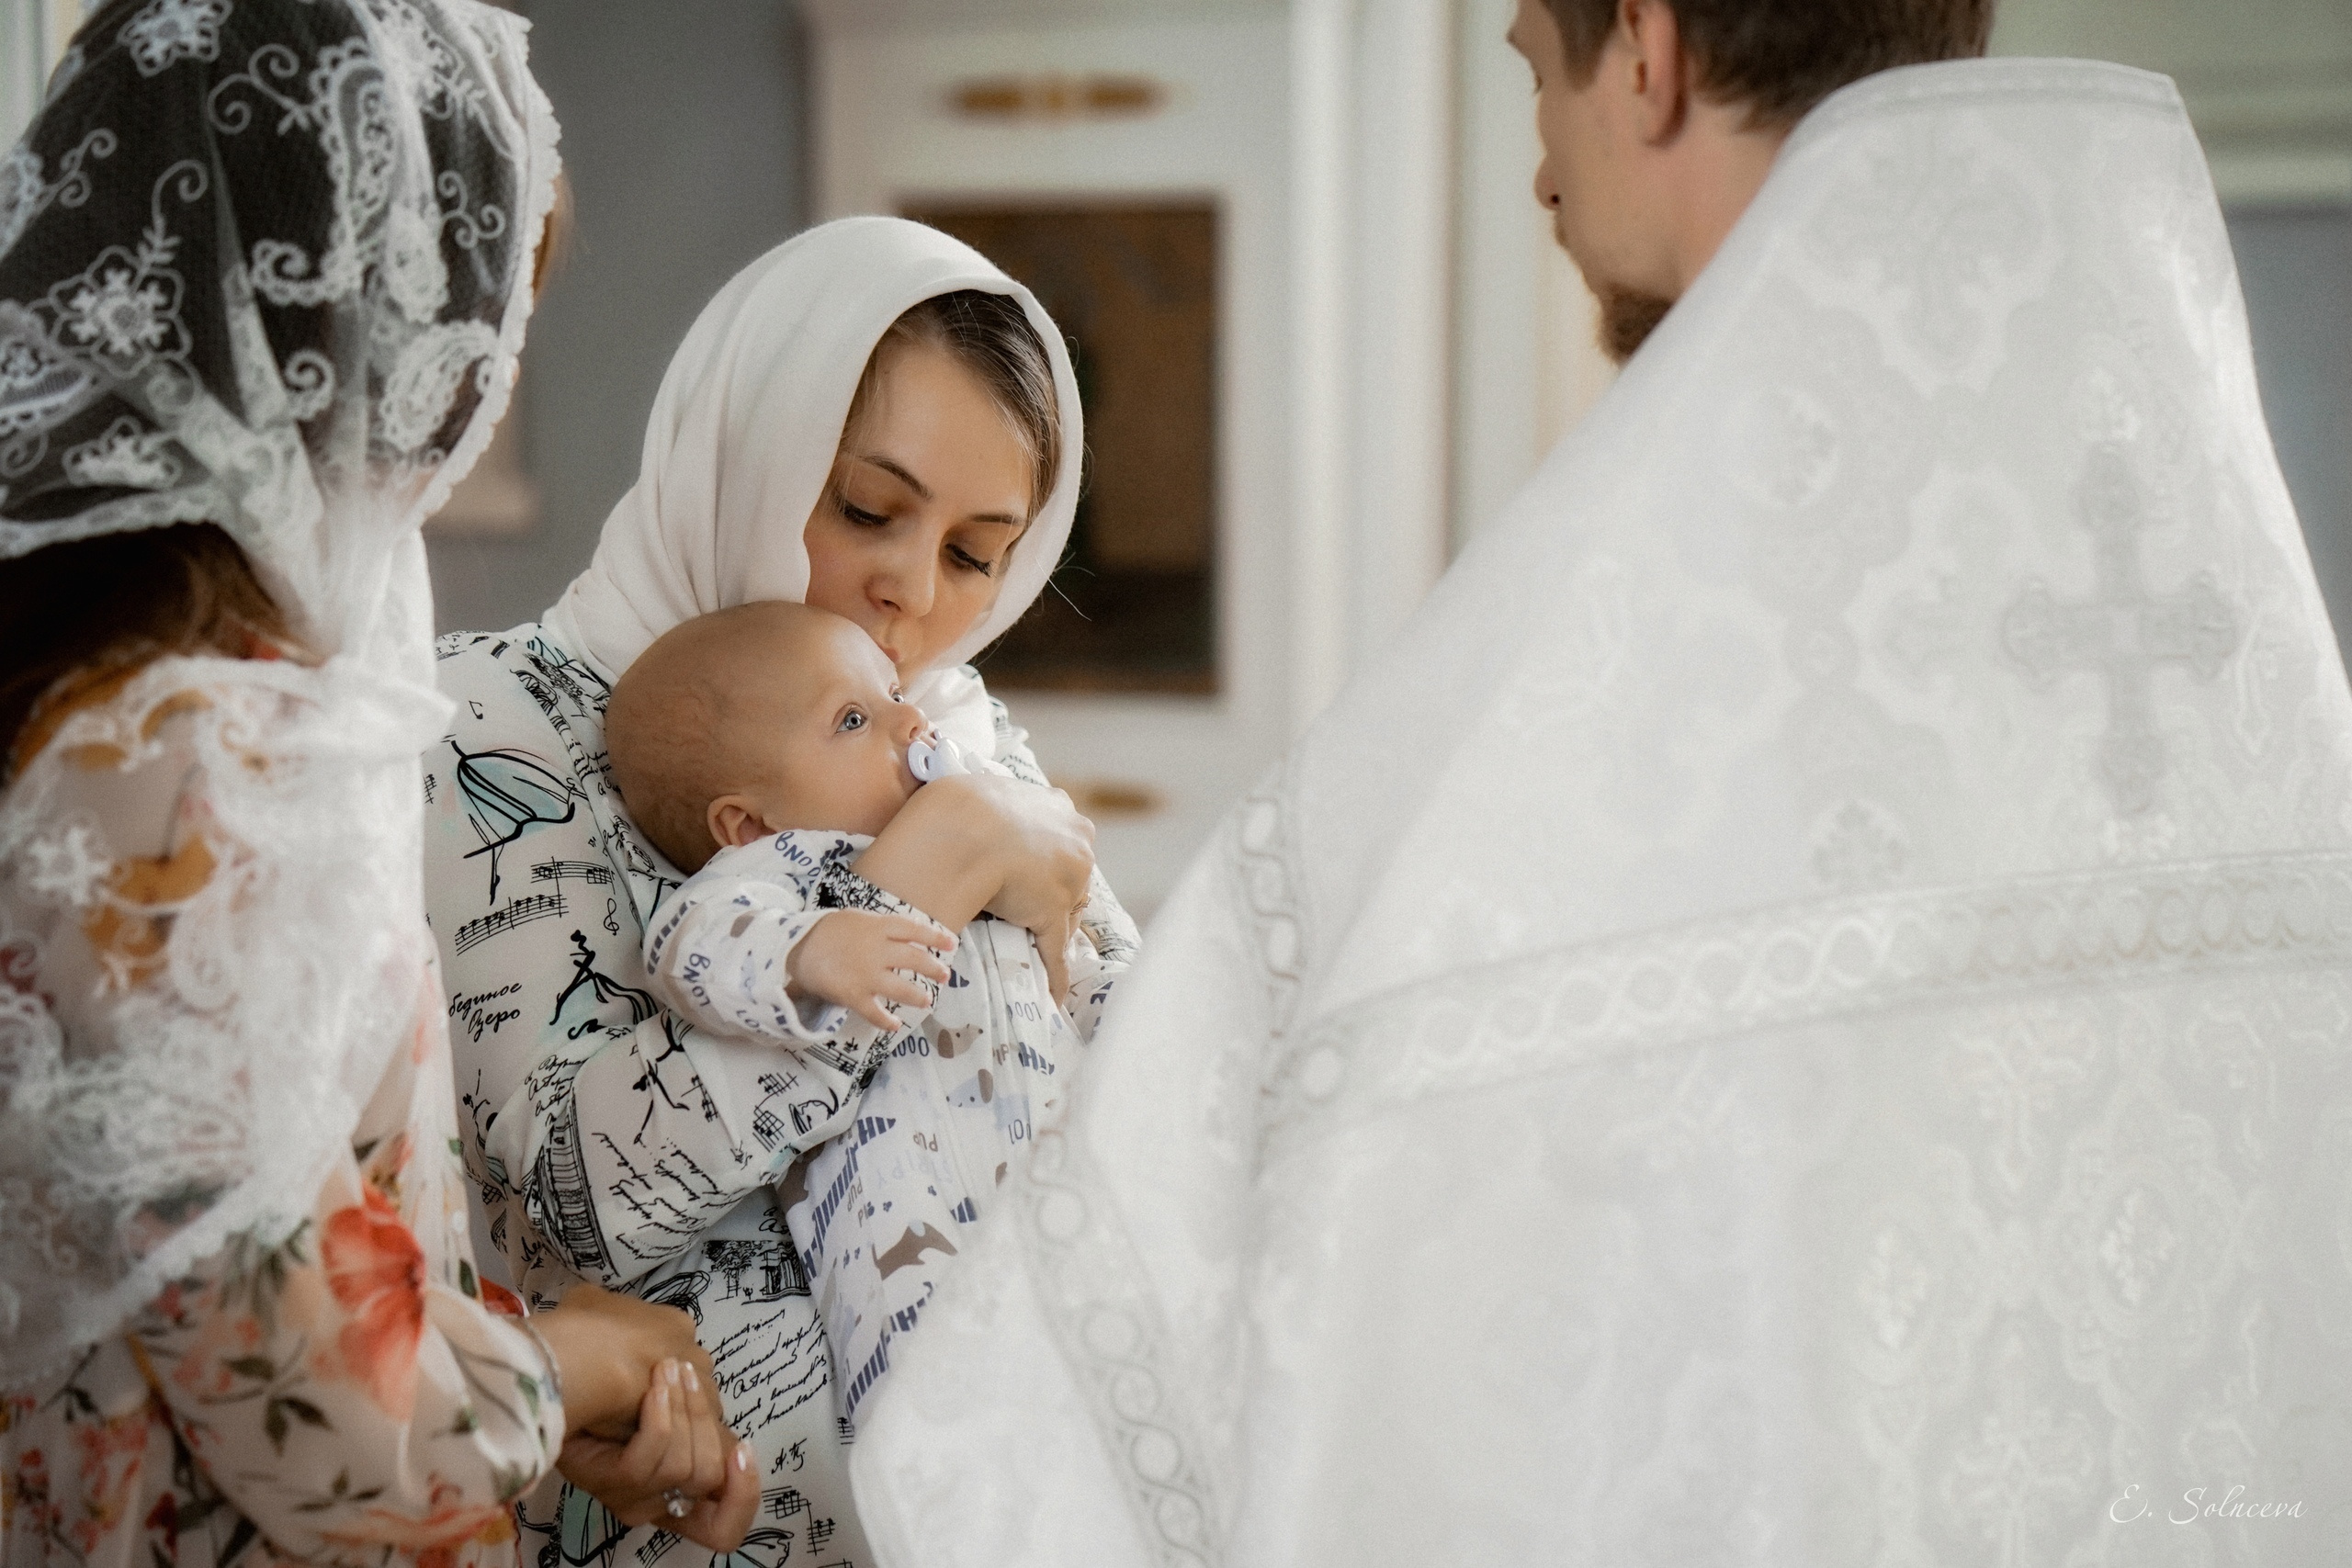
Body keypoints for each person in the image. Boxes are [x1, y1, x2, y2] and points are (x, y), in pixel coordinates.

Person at [843, 3, 2352, 1564]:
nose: (1542, 175)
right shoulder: (2219, 616)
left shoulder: (1550, 704)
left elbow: (1049, 1432)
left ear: (1645, 50)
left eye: (1532, 76)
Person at [0, 1, 759, 1561]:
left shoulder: (100, 692)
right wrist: (579, 1367)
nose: (461, 422)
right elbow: (327, 1431)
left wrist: (524, 1413)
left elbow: (256, 1258)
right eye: (464, 337)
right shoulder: (196, 762)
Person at [423, 218, 1129, 1567]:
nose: (907, 593)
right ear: (747, 445)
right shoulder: (481, 728)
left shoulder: (959, 742)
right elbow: (577, 1202)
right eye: (868, 507)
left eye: (977, 553)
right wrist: (926, 873)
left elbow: (1133, 1075)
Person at [609, 601, 1128, 1428]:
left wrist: (1136, 1016)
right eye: (854, 718)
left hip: (1068, 1189)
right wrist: (806, 952)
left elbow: (1076, 973)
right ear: (748, 822)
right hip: (909, 1248)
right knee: (957, 1431)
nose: (908, 718)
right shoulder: (782, 872)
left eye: (892, 691)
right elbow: (688, 945)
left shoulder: (990, 832)